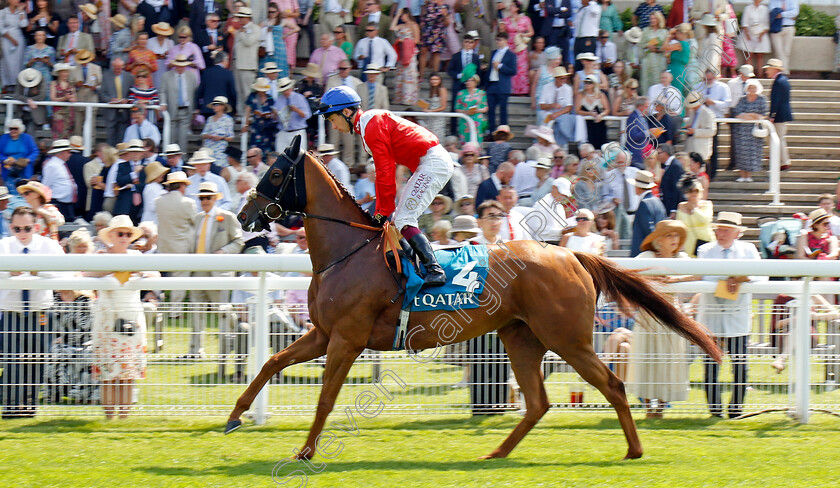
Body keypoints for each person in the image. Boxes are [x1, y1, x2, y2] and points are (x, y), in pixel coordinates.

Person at [316, 85, 454, 287]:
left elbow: (385, 171)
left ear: (346, 112)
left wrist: (382, 211)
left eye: (332, 119)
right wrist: (383, 211)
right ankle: (417, 267)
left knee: (404, 218)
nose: (334, 127)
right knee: (400, 219)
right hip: (429, 162)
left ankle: (434, 270)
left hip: (432, 163)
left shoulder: (370, 126)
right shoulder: (367, 125)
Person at [85, 215, 156, 418]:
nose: (124, 237)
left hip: (132, 319)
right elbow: (85, 274)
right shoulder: (100, 256)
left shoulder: (137, 258)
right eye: (120, 233)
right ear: (111, 235)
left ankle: (123, 418)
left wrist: (137, 271)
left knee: (128, 375)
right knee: (107, 375)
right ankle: (109, 417)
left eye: (127, 234)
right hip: (107, 320)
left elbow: (155, 274)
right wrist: (118, 268)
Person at [697, 211, 765, 419]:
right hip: (712, 317)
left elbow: (761, 275)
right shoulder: (705, 249)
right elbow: (705, 277)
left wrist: (739, 278)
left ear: (737, 232)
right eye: (719, 229)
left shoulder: (749, 249)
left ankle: (736, 409)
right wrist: (730, 281)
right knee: (710, 367)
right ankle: (715, 410)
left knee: (740, 367)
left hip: (737, 317)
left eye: (726, 230)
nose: (721, 233)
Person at [0, 206, 65, 417]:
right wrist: (9, 273)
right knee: (12, 360)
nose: (22, 233)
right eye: (17, 229)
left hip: (40, 310)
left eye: (27, 228)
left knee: (37, 360)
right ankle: (11, 407)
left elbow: (64, 273)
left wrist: (39, 271)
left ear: (36, 227)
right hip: (11, 311)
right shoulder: (3, 246)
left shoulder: (49, 246)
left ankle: (28, 405)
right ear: (11, 228)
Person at [628, 219, 694, 418]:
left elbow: (698, 274)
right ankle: (649, 407)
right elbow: (630, 272)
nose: (674, 240)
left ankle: (661, 407)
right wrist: (652, 279)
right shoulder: (647, 256)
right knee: (646, 358)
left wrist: (677, 279)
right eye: (669, 235)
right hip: (649, 314)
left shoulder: (682, 257)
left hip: (671, 315)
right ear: (659, 240)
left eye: (676, 235)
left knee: (670, 358)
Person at [188, 181, 244, 358]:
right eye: (202, 198)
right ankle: (195, 350)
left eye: (208, 197)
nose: (204, 201)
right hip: (197, 270)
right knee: (196, 312)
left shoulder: (226, 217)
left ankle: (227, 346)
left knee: (223, 312)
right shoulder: (196, 218)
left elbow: (239, 241)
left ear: (215, 198)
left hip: (219, 272)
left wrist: (223, 251)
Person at [155, 171, 196, 304]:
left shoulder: (159, 201)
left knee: (158, 278)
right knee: (180, 279)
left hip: (163, 246)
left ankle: (156, 304)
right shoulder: (188, 203)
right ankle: (174, 310)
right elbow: (195, 222)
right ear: (182, 186)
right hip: (181, 247)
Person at [731, 79, 767, 183]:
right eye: (750, 87)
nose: (752, 90)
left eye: (754, 87)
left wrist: (748, 115)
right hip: (741, 131)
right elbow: (737, 112)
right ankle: (742, 175)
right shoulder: (742, 99)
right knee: (741, 152)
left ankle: (749, 175)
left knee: (752, 152)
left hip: (754, 130)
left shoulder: (761, 99)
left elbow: (763, 114)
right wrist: (751, 115)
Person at [159, 55, 197, 151]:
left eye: (182, 66)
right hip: (171, 109)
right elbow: (162, 91)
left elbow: (195, 92)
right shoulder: (166, 76)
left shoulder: (191, 76)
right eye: (178, 66)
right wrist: (163, 103)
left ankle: (182, 159)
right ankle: (170, 158)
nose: (180, 68)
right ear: (175, 65)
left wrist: (195, 109)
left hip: (185, 109)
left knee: (183, 138)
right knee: (171, 138)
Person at [486, 31, 517, 133]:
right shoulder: (493, 52)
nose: (497, 42)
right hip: (492, 84)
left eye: (499, 40)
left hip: (502, 85)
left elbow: (513, 71)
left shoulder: (511, 55)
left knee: (503, 110)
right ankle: (491, 132)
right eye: (497, 39)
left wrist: (500, 66)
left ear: (505, 40)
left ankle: (503, 133)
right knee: (490, 110)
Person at [629, 170, 666, 256]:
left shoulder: (644, 203)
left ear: (638, 187)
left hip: (644, 253)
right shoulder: (658, 201)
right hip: (656, 252)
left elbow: (649, 232)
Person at [765, 58, 793, 171]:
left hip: (780, 115)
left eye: (768, 69)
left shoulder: (779, 82)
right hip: (782, 114)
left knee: (779, 138)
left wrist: (772, 115)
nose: (767, 71)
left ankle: (784, 161)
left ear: (774, 69)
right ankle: (777, 155)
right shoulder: (783, 80)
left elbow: (776, 100)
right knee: (776, 137)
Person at [501, 0, 534, 96]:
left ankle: (521, 90)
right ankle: (510, 89)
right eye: (510, 6)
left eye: (512, 6)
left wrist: (523, 34)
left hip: (520, 46)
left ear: (517, 8)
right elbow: (503, 33)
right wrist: (501, 28)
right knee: (511, 66)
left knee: (521, 68)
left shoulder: (525, 19)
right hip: (510, 46)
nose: (510, 8)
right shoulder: (506, 20)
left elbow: (531, 32)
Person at [676, 178, 714, 257]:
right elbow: (678, 226)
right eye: (690, 191)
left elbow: (706, 220)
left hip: (705, 240)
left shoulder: (707, 204)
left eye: (696, 190)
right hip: (688, 242)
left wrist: (694, 209)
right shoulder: (681, 206)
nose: (693, 193)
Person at [100, 58, 134, 146]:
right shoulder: (106, 76)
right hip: (111, 112)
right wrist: (110, 100)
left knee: (122, 138)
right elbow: (102, 93)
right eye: (115, 68)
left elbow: (132, 93)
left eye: (119, 68)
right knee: (110, 138)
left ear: (123, 67)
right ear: (112, 67)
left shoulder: (129, 77)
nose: (118, 70)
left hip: (124, 112)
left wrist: (127, 100)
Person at [274, 77, 312, 152]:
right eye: (284, 90)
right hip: (283, 131)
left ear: (291, 88)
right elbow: (275, 119)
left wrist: (296, 110)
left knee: (299, 156)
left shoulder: (299, 98)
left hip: (297, 131)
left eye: (287, 89)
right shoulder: (279, 99)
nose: (285, 92)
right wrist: (275, 114)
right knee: (280, 155)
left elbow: (307, 115)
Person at [390, 8, 420, 105]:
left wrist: (405, 41)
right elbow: (392, 27)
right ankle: (399, 98)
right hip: (402, 52)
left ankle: (409, 99)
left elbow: (417, 40)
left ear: (407, 14)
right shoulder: (401, 25)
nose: (402, 17)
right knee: (400, 75)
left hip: (410, 52)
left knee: (409, 75)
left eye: (402, 15)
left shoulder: (414, 25)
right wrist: (397, 15)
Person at [242, 78, 278, 154]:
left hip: (268, 127)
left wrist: (270, 115)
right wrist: (246, 124)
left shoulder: (270, 98)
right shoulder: (252, 96)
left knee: (268, 148)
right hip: (256, 126)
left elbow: (274, 112)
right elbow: (248, 110)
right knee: (255, 147)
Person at [0, 119, 38, 190]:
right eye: (11, 129)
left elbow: (35, 151)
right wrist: (4, 159)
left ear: (20, 129)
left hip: (24, 169)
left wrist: (28, 159)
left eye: (15, 129)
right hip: (9, 169)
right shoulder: (3, 138)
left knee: (24, 190)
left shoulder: (27, 138)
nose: (13, 131)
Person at [0, 0, 28, 92]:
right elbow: (1, 28)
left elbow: (24, 24)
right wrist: (11, 39)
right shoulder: (3, 12)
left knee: (18, 62)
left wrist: (21, 12)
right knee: (7, 62)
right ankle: (8, 85)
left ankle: (18, 84)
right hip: (7, 39)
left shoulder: (20, 11)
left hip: (18, 39)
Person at [576, 74, 610, 149]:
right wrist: (589, 113)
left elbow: (607, 109)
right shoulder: (580, 95)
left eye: (590, 82)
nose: (587, 84)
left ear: (594, 84)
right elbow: (577, 110)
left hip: (599, 124)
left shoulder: (601, 95)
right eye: (586, 82)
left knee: (601, 145)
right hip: (586, 125)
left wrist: (601, 115)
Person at [418, 0, 449, 81]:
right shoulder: (427, 4)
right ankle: (421, 75)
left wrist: (445, 16)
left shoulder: (444, 6)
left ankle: (435, 75)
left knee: (436, 53)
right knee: (423, 51)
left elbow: (447, 23)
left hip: (438, 32)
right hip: (426, 30)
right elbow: (422, 17)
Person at [738, 0, 770, 78]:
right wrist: (747, 34)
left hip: (761, 34)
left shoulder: (765, 9)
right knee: (749, 55)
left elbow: (766, 24)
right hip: (749, 34)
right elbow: (744, 22)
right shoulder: (748, 8)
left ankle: (760, 76)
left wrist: (761, 35)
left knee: (760, 55)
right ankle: (747, 76)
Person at [638, 11, 667, 94]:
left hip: (659, 59)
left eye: (654, 18)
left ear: (658, 19)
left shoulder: (664, 32)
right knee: (647, 81)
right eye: (651, 19)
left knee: (658, 80)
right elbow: (641, 44)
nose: (652, 20)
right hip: (648, 59)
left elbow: (666, 47)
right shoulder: (646, 30)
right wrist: (648, 46)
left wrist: (658, 49)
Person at [768, 0, 797, 74]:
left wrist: (781, 14)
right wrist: (789, 15)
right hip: (776, 29)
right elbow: (773, 13)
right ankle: (784, 72)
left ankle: (781, 72)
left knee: (787, 51)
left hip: (789, 28)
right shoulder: (773, 1)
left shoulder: (793, 1)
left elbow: (795, 13)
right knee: (779, 52)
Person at [656, 143, 683, 219]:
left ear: (665, 153)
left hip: (671, 207)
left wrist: (673, 210)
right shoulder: (668, 166)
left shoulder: (675, 166)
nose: (657, 156)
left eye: (659, 153)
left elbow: (676, 189)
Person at [419, 73, 448, 142]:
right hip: (430, 117)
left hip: (438, 118)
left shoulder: (442, 89)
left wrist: (430, 111)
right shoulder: (432, 90)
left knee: (437, 137)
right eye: (432, 79)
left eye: (436, 79)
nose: (434, 81)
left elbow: (443, 107)